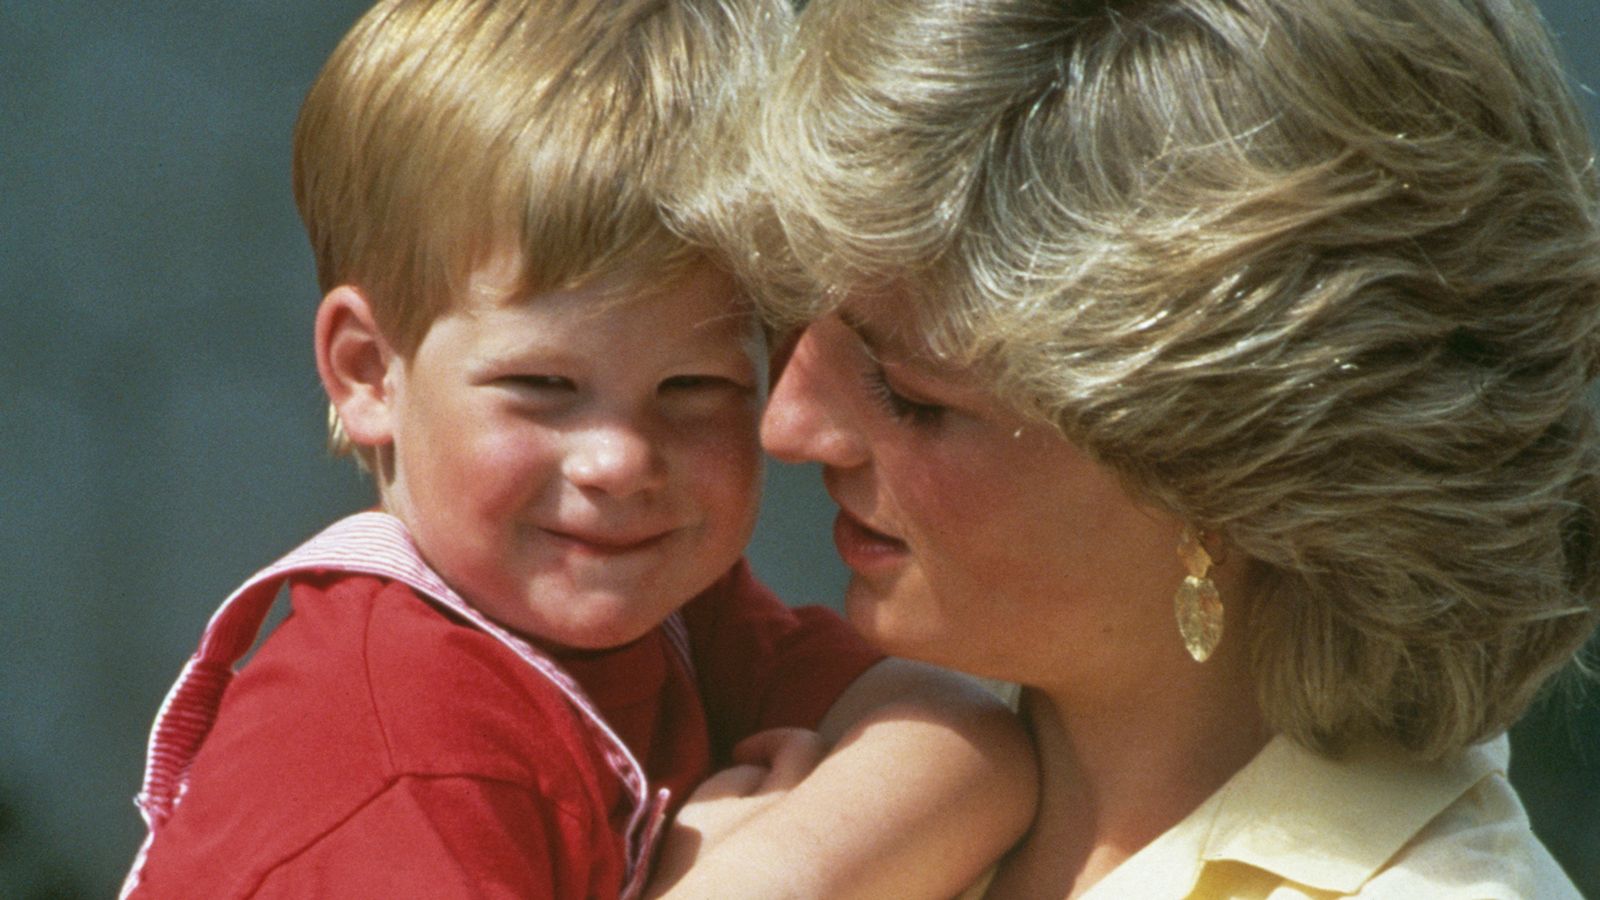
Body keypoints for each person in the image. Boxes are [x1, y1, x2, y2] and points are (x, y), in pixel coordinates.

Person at [118, 1, 1036, 897]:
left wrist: (764, 872)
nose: (621, 460)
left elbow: (971, 741)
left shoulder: (675, 616)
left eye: (694, 389)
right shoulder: (396, 757)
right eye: (544, 388)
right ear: (368, 373)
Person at [730, 0, 1600, 895]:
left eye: (909, 396)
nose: (788, 427)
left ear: (1223, 474)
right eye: (795, 322)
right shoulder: (814, 752)